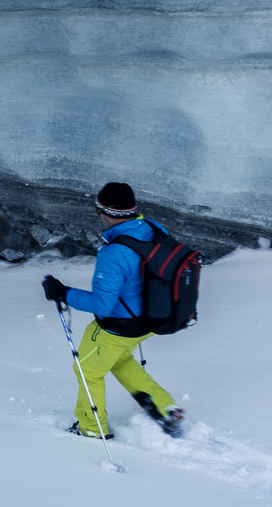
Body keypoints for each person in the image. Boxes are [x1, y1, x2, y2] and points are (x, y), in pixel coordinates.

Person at [39, 182, 184, 440]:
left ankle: (91, 429)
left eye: (98, 210)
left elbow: (102, 305)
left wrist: (63, 293)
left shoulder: (114, 253)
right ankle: (165, 409)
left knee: (88, 371)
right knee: (119, 361)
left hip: (118, 328)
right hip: (151, 320)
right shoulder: (154, 229)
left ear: (106, 213)